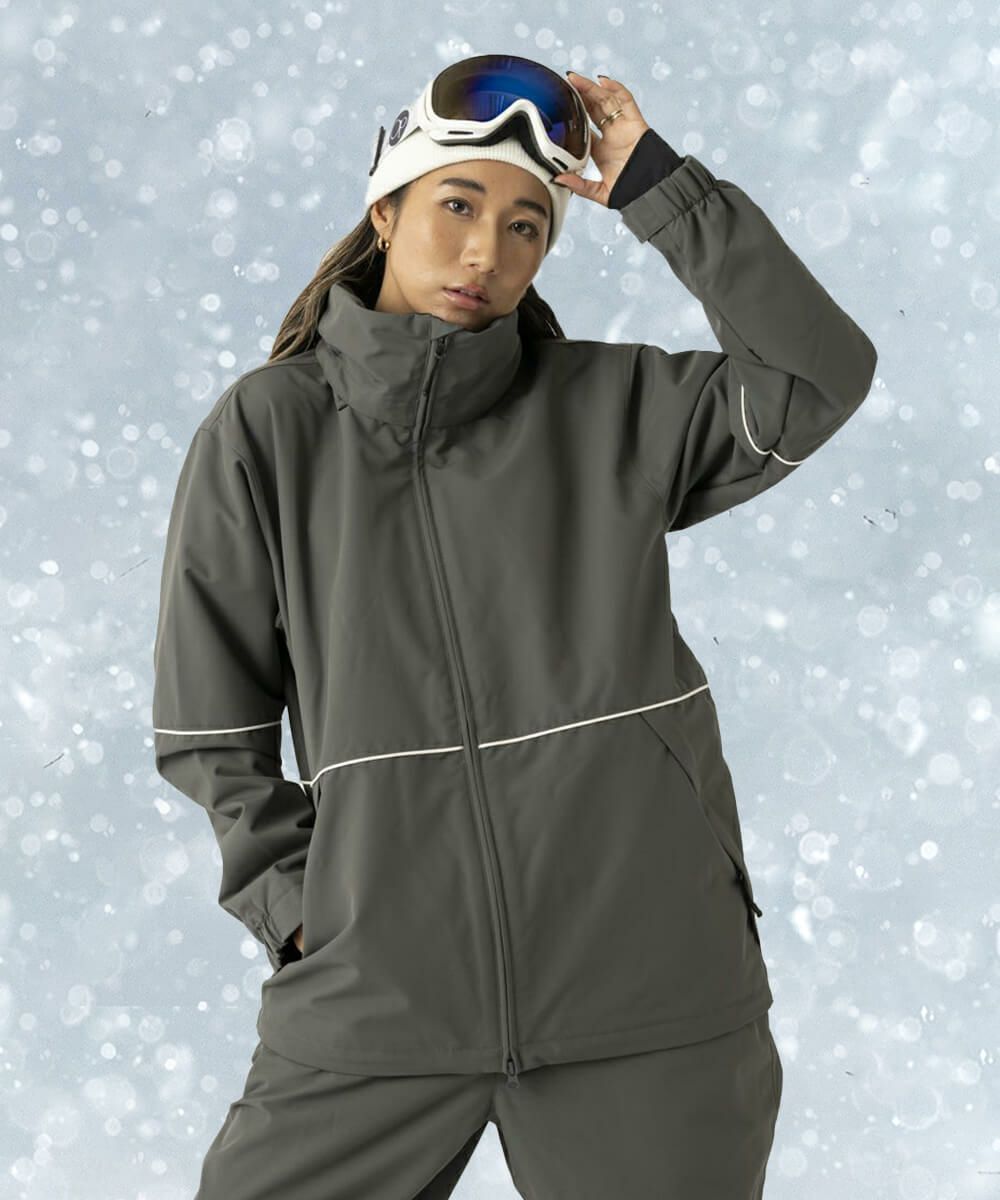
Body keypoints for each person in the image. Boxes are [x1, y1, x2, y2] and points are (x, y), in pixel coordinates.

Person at [152, 53, 876, 1199]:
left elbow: (815, 376)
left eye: (526, 225)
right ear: (384, 212)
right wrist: (302, 917)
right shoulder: (268, 432)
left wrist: (658, 188)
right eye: (457, 205)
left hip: (649, 992)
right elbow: (209, 728)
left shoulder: (612, 409)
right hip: (379, 999)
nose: (486, 250)